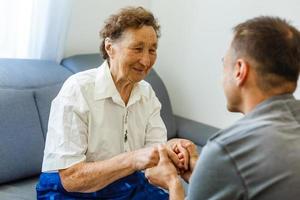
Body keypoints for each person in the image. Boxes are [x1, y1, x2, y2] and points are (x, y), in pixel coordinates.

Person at [36, 6, 187, 199]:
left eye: (152, 50)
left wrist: (175, 152)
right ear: (110, 48)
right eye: (137, 48)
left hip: (127, 184)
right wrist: (133, 160)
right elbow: (71, 179)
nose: (146, 60)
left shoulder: (147, 94)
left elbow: (153, 164)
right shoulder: (78, 90)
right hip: (70, 192)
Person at [146, 16, 300, 200]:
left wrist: (172, 183)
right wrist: (201, 174)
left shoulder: (227, 150)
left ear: (240, 71)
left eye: (224, 63)